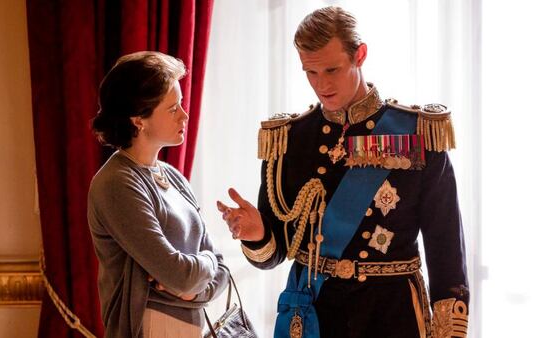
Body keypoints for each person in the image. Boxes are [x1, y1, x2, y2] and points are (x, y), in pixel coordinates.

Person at [217, 6, 469, 338]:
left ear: (360, 55)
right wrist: (256, 233)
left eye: (332, 69)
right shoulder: (291, 138)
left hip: (392, 315)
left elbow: (446, 247)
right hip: (316, 312)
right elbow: (275, 251)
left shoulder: (419, 134)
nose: (322, 84)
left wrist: (449, 330)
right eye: (311, 72)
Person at [88, 51, 228, 338]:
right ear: (139, 119)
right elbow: (182, 276)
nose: (185, 115)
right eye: (173, 108)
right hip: (149, 328)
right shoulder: (117, 183)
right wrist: (203, 270)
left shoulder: (173, 176)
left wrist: (194, 287)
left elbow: (221, 269)